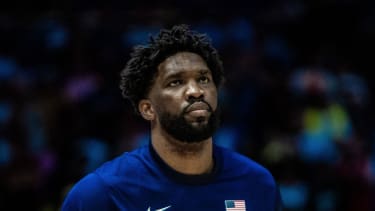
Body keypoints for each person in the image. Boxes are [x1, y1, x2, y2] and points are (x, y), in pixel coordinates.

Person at [61, 24, 283, 211]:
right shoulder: (101, 193)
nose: (196, 91)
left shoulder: (257, 183)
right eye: (175, 82)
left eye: (204, 79)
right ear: (148, 109)